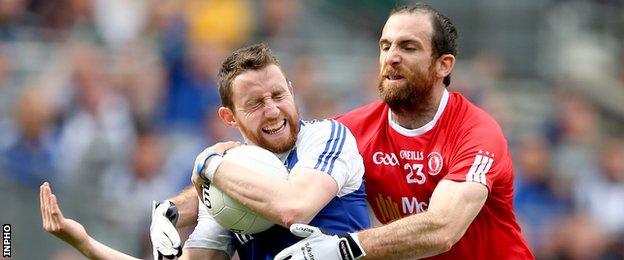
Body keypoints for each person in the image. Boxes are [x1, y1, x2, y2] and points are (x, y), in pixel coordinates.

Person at [42, 43, 370, 260]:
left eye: (278, 95)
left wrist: (208, 164)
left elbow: (294, 209)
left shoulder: (327, 136)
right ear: (229, 117)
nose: (272, 110)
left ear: (292, 91)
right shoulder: (230, 180)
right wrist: (86, 244)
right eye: (256, 103)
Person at [275, 4, 534, 259]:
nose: (391, 57)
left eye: (408, 47)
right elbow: (278, 154)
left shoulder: (476, 132)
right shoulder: (351, 131)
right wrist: (235, 160)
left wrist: (343, 248)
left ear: (443, 65)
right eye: (385, 46)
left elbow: (442, 229)